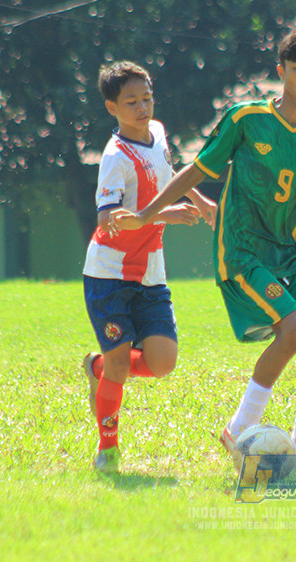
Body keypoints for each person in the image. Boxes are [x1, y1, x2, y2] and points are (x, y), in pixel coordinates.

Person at [108, 23, 296, 476]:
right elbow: (196, 171)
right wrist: (147, 213)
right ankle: (237, 430)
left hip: (285, 256)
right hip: (241, 249)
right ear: (282, 71)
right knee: (292, 329)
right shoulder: (246, 119)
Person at [81, 61, 216, 475]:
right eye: (131, 102)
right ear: (112, 108)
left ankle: (98, 367)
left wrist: (199, 202)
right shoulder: (114, 157)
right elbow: (108, 218)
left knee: (162, 363)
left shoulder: (156, 133)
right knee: (124, 366)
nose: (142, 107)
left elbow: (169, 173)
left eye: (146, 98)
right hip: (109, 275)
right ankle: (108, 449)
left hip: (150, 273)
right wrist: (164, 216)